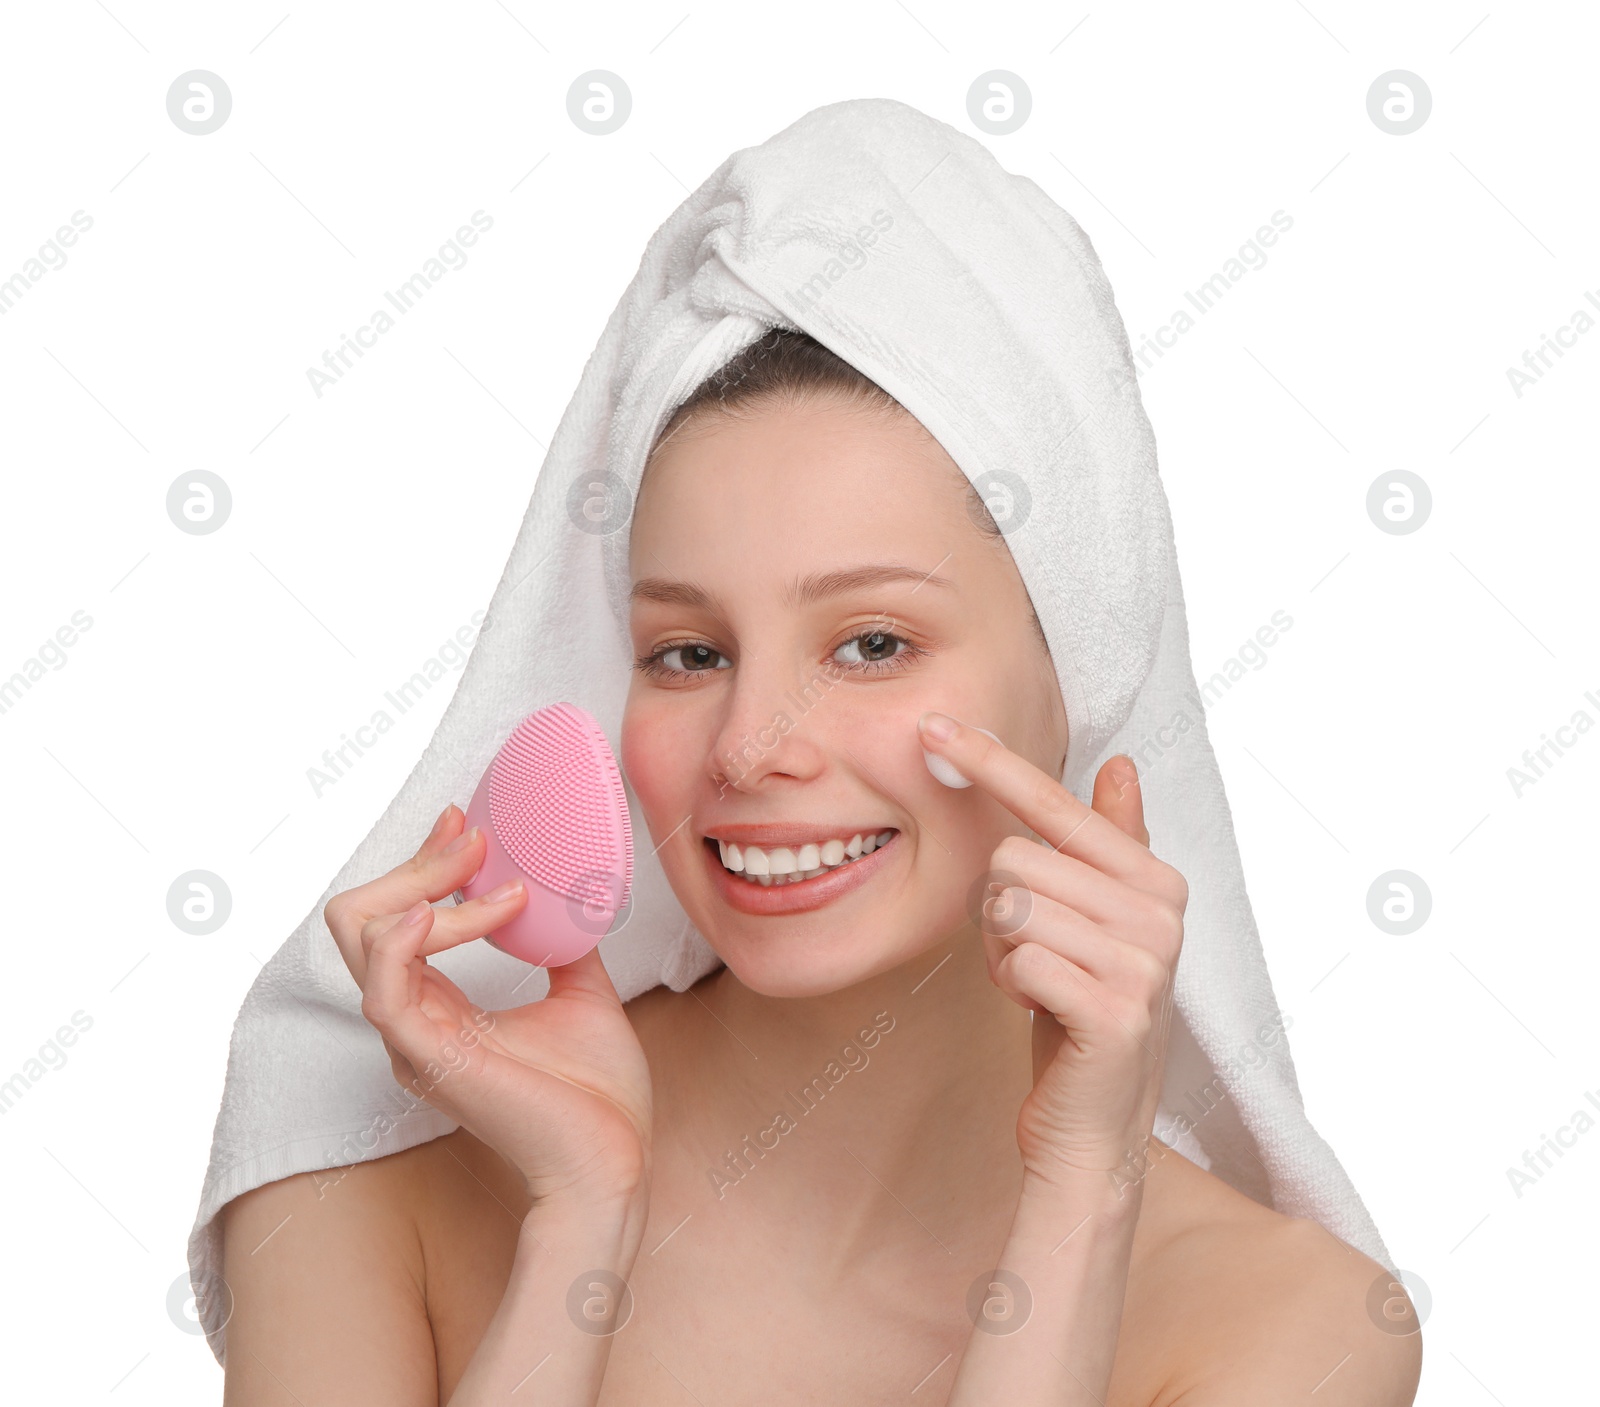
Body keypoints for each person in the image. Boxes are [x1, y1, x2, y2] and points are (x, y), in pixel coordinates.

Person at [218, 329, 1422, 1404]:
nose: (748, 748)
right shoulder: (359, 1196)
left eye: (872, 643)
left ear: (1076, 678)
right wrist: (577, 1228)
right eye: (687, 653)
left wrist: (1080, 1197)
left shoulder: (1295, 1325)